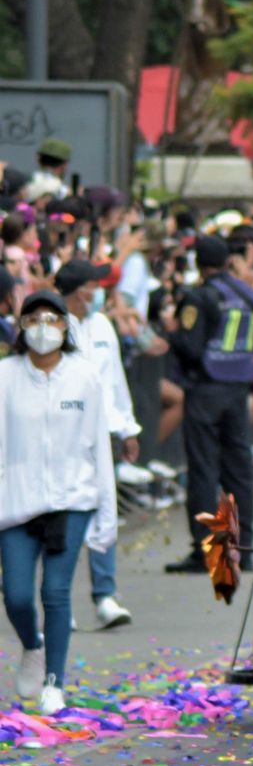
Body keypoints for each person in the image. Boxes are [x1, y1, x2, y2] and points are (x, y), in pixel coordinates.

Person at [1, 291, 118, 714]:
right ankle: (32, 644)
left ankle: (55, 682)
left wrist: (108, 513)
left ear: (66, 328)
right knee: (15, 594)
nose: (43, 327)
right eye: (34, 318)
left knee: (55, 590)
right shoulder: (5, 377)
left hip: (72, 498)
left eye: (52, 318)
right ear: (21, 327)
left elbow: (99, 447)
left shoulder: (83, 376)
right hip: (16, 502)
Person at [162, 235, 253, 575]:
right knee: (239, 469)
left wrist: (172, 332)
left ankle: (206, 552)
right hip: (239, 391)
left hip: (206, 390)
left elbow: (190, 348)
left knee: (204, 470)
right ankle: (245, 547)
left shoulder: (198, 297)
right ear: (227, 261)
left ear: (199, 264)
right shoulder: (249, 295)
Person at [54, 259, 139, 629]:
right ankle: (58, 601)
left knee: (104, 509)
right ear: (78, 290)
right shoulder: (52, 327)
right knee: (62, 515)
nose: (99, 291)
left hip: (100, 433)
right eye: (94, 285)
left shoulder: (102, 324)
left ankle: (105, 596)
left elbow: (115, 380)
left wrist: (127, 428)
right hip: (62, 432)